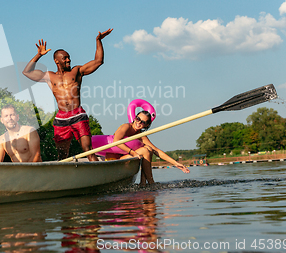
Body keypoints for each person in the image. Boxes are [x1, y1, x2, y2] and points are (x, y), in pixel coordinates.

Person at [22, 29, 113, 161]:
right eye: (65, 58)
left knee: (88, 150)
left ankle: (99, 174)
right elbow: (27, 72)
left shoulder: (77, 71)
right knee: (62, 156)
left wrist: (98, 41)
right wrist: (39, 55)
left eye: (69, 57)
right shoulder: (49, 76)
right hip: (61, 118)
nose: (68, 60)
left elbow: (98, 61)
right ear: (56, 61)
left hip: (78, 114)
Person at [111, 110, 190, 185]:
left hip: (128, 158)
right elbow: (116, 141)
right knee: (145, 150)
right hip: (115, 160)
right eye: (138, 119)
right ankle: (151, 182)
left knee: (149, 149)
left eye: (143, 122)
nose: (139, 123)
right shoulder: (126, 126)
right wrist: (133, 152)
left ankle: (143, 183)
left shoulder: (141, 135)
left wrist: (176, 163)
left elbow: (156, 151)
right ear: (135, 118)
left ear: (146, 125)